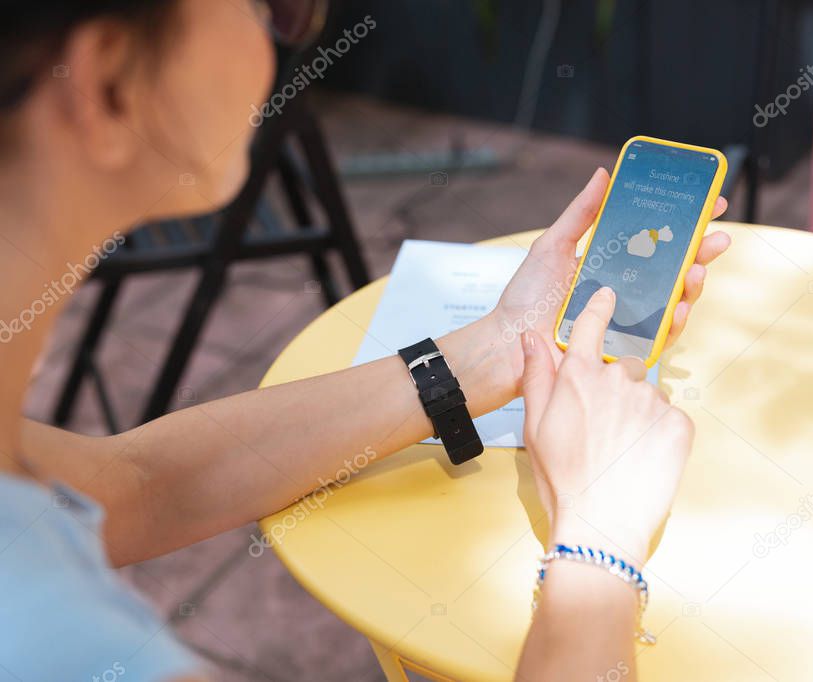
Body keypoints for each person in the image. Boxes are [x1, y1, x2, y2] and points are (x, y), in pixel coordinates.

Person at [0, 1, 730, 680]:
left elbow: (136, 487)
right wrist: (599, 544)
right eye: (266, 5)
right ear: (109, 84)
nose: (277, 42)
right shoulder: (61, 647)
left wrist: (497, 347)